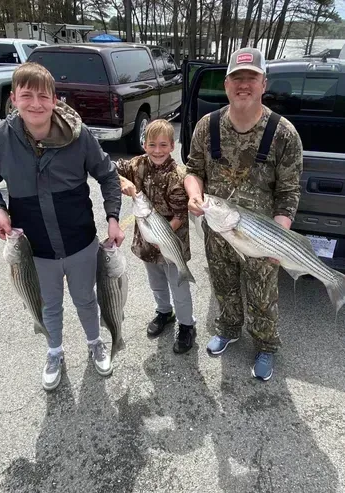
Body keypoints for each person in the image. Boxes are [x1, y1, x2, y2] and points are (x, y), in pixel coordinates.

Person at [0, 62, 125, 390]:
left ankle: (94, 343)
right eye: (26, 95)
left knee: (86, 299)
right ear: (13, 98)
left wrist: (113, 217)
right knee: (49, 304)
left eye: (43, 96)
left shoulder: (80, 135)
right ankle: (54, 350)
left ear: (55, 99)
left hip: (81, 242)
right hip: (36, 248)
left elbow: (108, 175)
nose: (36, 103)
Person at [184, 47, 303, 381]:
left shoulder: (283, 133)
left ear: (264, 83)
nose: (244, 85)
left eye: (251, 78)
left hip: (262, 233)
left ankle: (265, 346)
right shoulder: (208, 127)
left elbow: (289, 191)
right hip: (217, 231)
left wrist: (280, 236)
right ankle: (229, 328)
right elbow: (193, 170)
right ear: (226, 84)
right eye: (237, 78)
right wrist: (194, 194)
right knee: (223, 287)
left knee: (263, 296)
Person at [117, 119, 196, 354]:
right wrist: (122, 181)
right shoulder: (137, 164)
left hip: (171, 242)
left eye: (163, 145)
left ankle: (187, 325)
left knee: (179, 287)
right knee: (156, 283)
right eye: (152, 145)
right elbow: (111, 167)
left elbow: (181, 213)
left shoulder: (177, 175)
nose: (157, 150)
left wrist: (162, 237)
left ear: (172, 146)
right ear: (144, 145)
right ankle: (164, 312)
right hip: (147, 243)